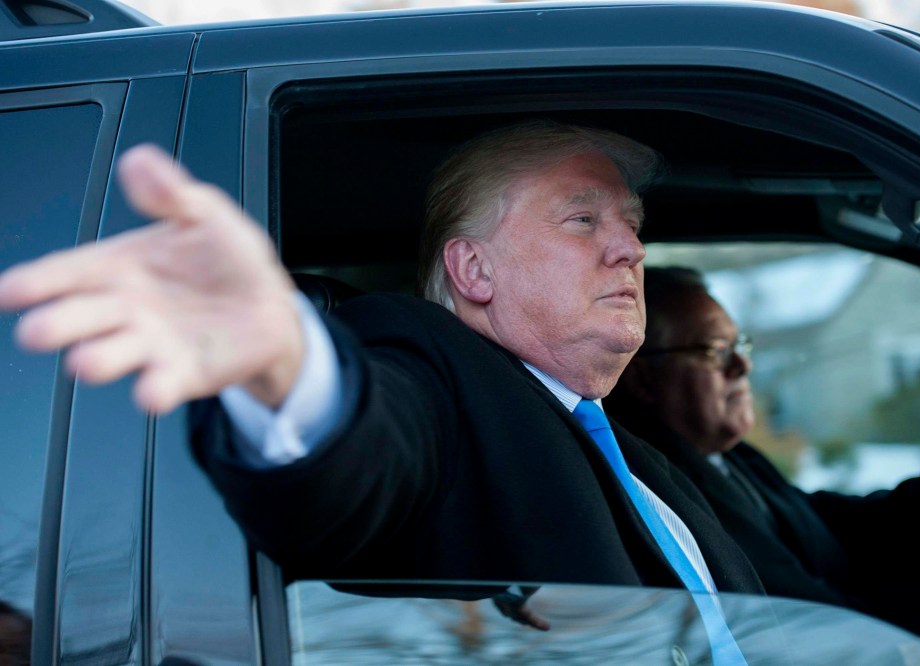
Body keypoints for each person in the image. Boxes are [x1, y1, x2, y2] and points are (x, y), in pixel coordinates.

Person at [0, 123, 766, 632]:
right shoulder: (433, 365)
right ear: (473, 269)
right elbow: (368, 452)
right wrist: (288, 362)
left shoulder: (629, 450)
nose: (629, 249)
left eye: (631, 223)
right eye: (583, 220)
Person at [605, 266, 920, 660]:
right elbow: (788, 615)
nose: (743, 366)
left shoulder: (731, 457)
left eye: (739, 346)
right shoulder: (657, 487)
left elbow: (847, 532)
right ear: (642, 380)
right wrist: (907, 655)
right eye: (714, 350)